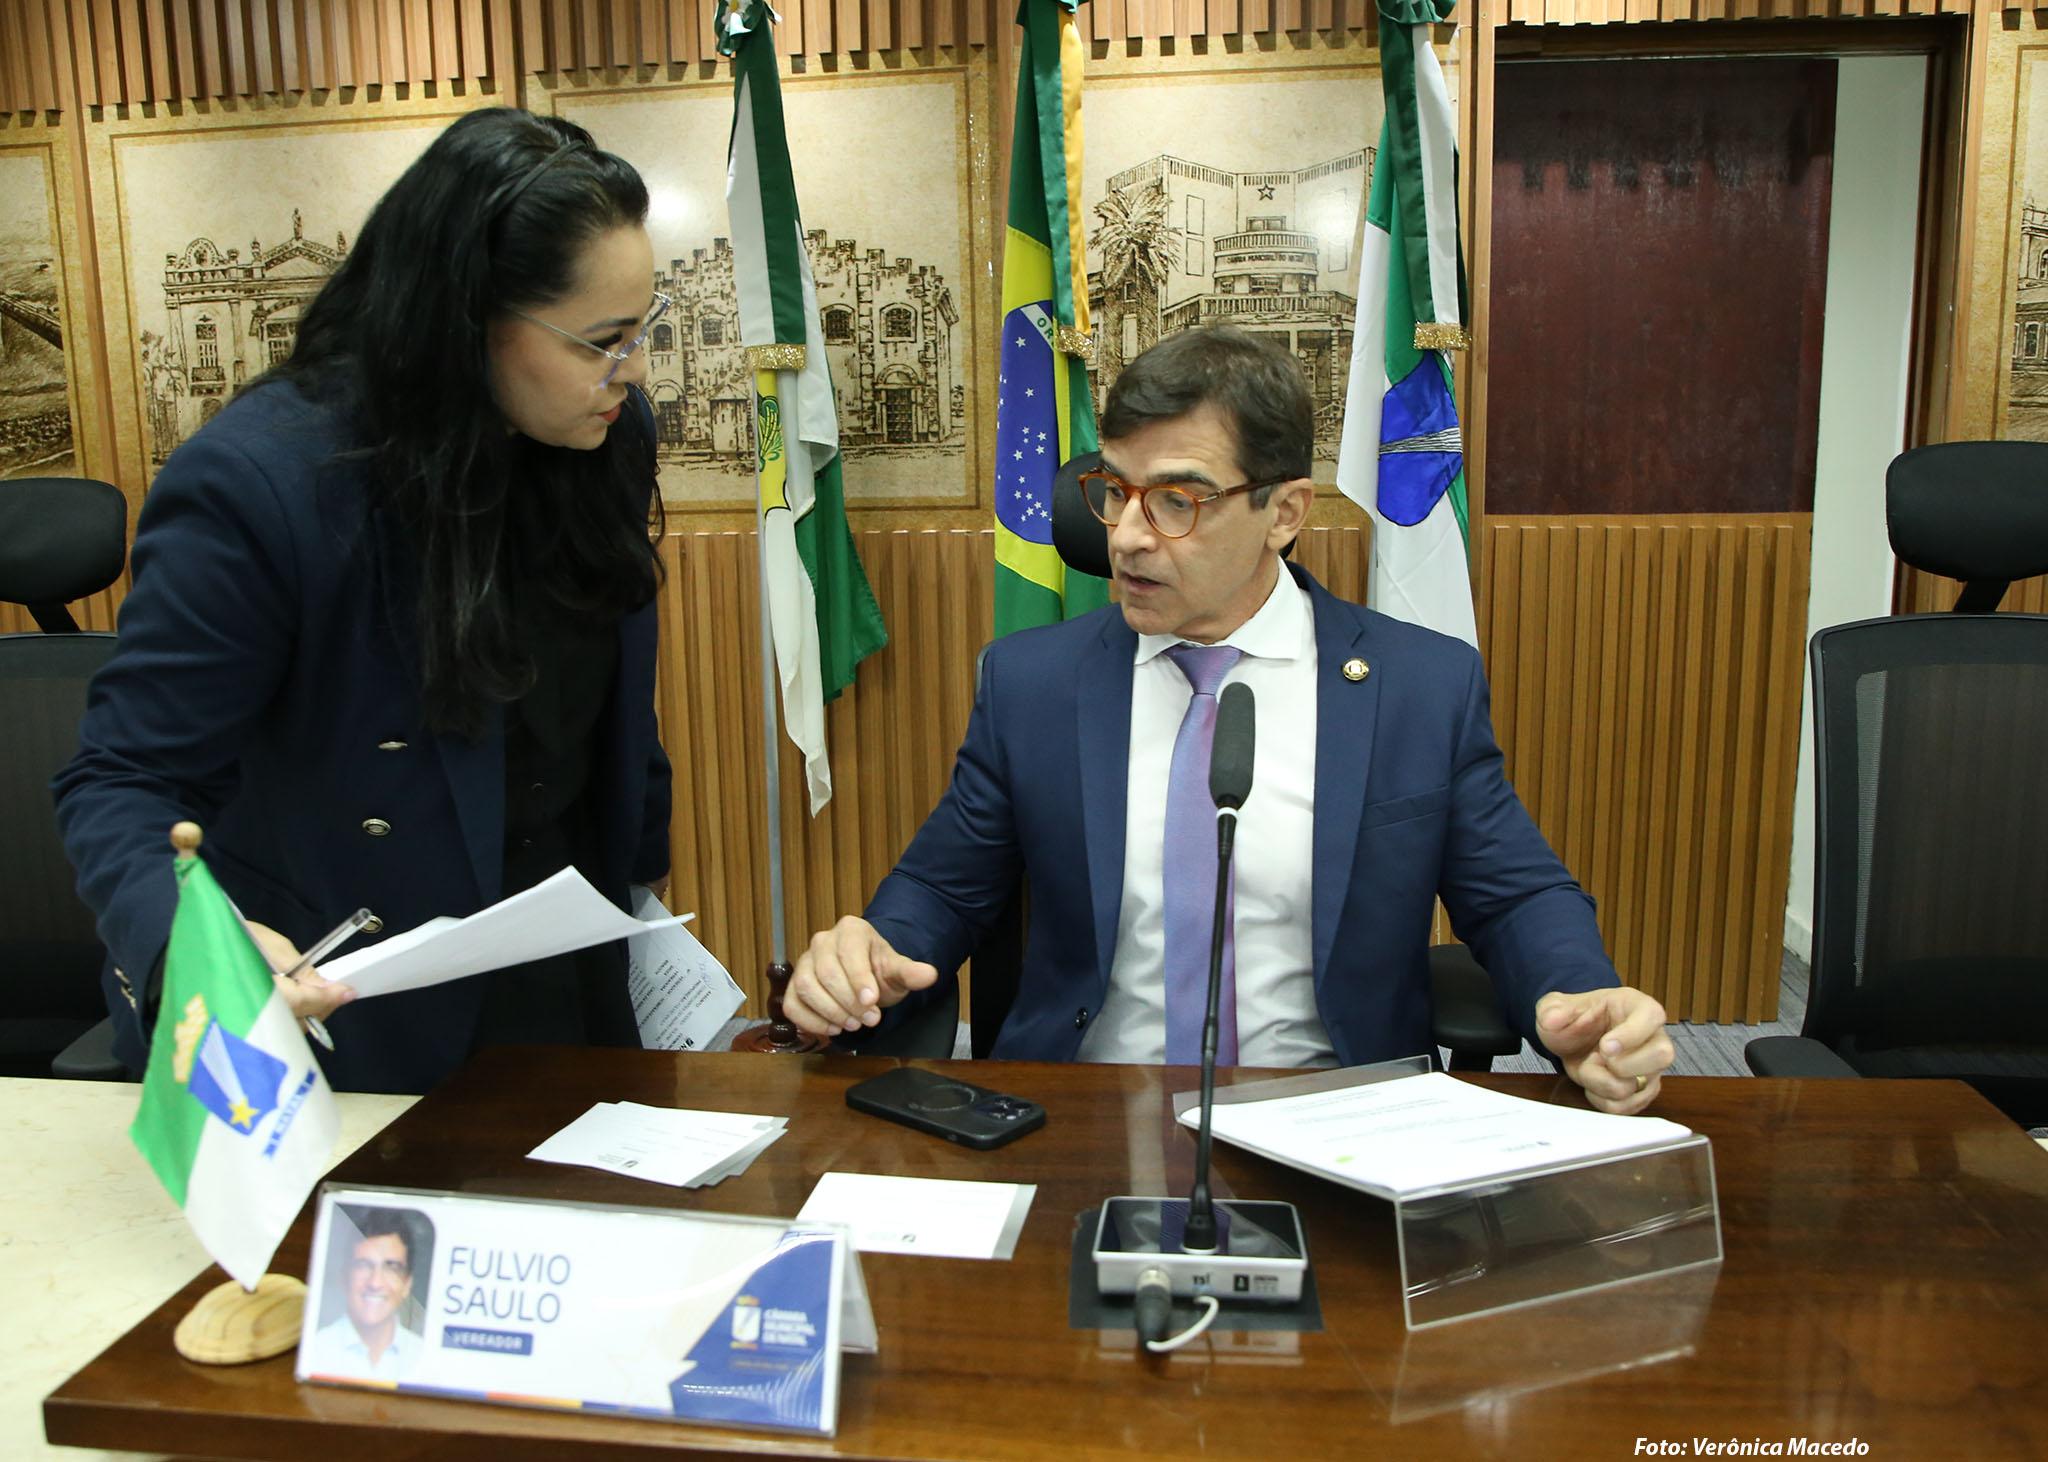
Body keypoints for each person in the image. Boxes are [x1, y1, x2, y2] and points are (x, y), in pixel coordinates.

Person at [790, 325, 1674, 1114]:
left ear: (1283, 513)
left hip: (1340, 1117)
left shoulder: (1417, 687)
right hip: (1086, 1112)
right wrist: (870, 951)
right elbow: (945, 888)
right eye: (1116, 491)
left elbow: (1515, 894)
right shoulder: (1034, 685)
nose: (1127, 536)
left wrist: (1578, 1000)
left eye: (1178, 500)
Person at [55, 109, 673, 1094]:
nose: (634, 370)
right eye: (604, 341)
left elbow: (607, 695)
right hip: (343, 1011)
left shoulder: (604, 433)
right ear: (469, 323)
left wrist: (640, 881)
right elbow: (121, 781)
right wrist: (193, 942)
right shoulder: (264, 482)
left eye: (643, 329)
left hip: (561, 965)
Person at [304, 1207, 430, 1381]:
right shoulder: (314, 1351)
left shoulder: (425, 1357)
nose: (375, 1283)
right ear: (344, 1277)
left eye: (391, 1269)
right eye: (363, 1266)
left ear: (407, 1284)